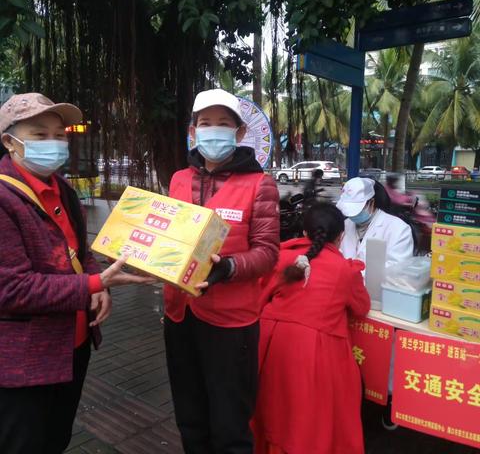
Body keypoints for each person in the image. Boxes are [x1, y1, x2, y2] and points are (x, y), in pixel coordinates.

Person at [0, 93, 155, 454]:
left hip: (73, 346)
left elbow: (80, 252)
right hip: (26, 361)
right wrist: (96, 283)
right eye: (39, 135)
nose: (54, 143)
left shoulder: (63, 188)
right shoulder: (5, 199)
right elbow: (10, 289)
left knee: (57, 439)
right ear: (9, 141)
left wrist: (96, 283)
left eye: (60, 134)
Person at [163, 88, 280, 454]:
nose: (214, 131)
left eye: (223, 124)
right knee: (190, 414)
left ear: (239, 133)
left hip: (231, 322)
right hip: (180, 315)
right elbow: (168, 236)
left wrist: (228, 267)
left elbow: (267, 253)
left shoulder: (260, 185)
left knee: (230, 422)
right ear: (193, 131)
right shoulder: (179, 179)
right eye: (205, 123)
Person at [252, 202, 370, 454]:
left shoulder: (282, 257)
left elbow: (260, 296)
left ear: (304, 233)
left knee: (272, 409)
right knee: (307, 420)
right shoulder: (344, 270)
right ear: (340, 237)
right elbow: (361, 307)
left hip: (271, 344)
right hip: (313, 350)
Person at [337, 177, 414, 267]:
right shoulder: (344, 225)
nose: (352, 216)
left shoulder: (399, 229)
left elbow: (397, 268)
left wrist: (355, 274)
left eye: (357, 209)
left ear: (371, 202)